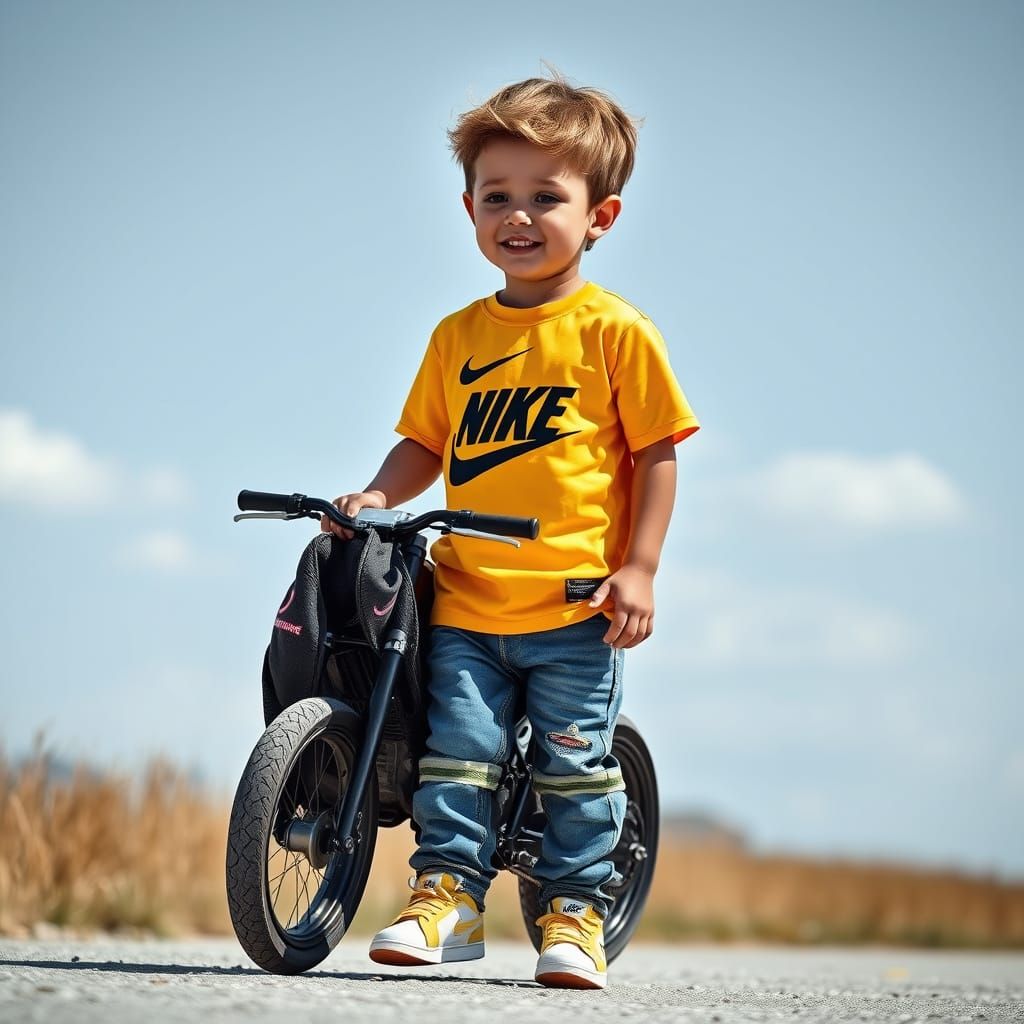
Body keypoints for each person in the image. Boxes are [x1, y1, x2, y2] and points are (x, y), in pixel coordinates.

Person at [322, 74, 699, 989]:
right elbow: (424, 441)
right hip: (465, 599)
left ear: (601, 214)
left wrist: (639, 570)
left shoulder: (615, 332)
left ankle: (574, 912)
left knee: (575, 768)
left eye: (546, 198)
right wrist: (377, 493)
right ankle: (446, 897)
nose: (518, 217)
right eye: (498, 197)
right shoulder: (458, 336)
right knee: (457, 759)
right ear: (468, 208)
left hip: (575, 609)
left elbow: (657, 455)